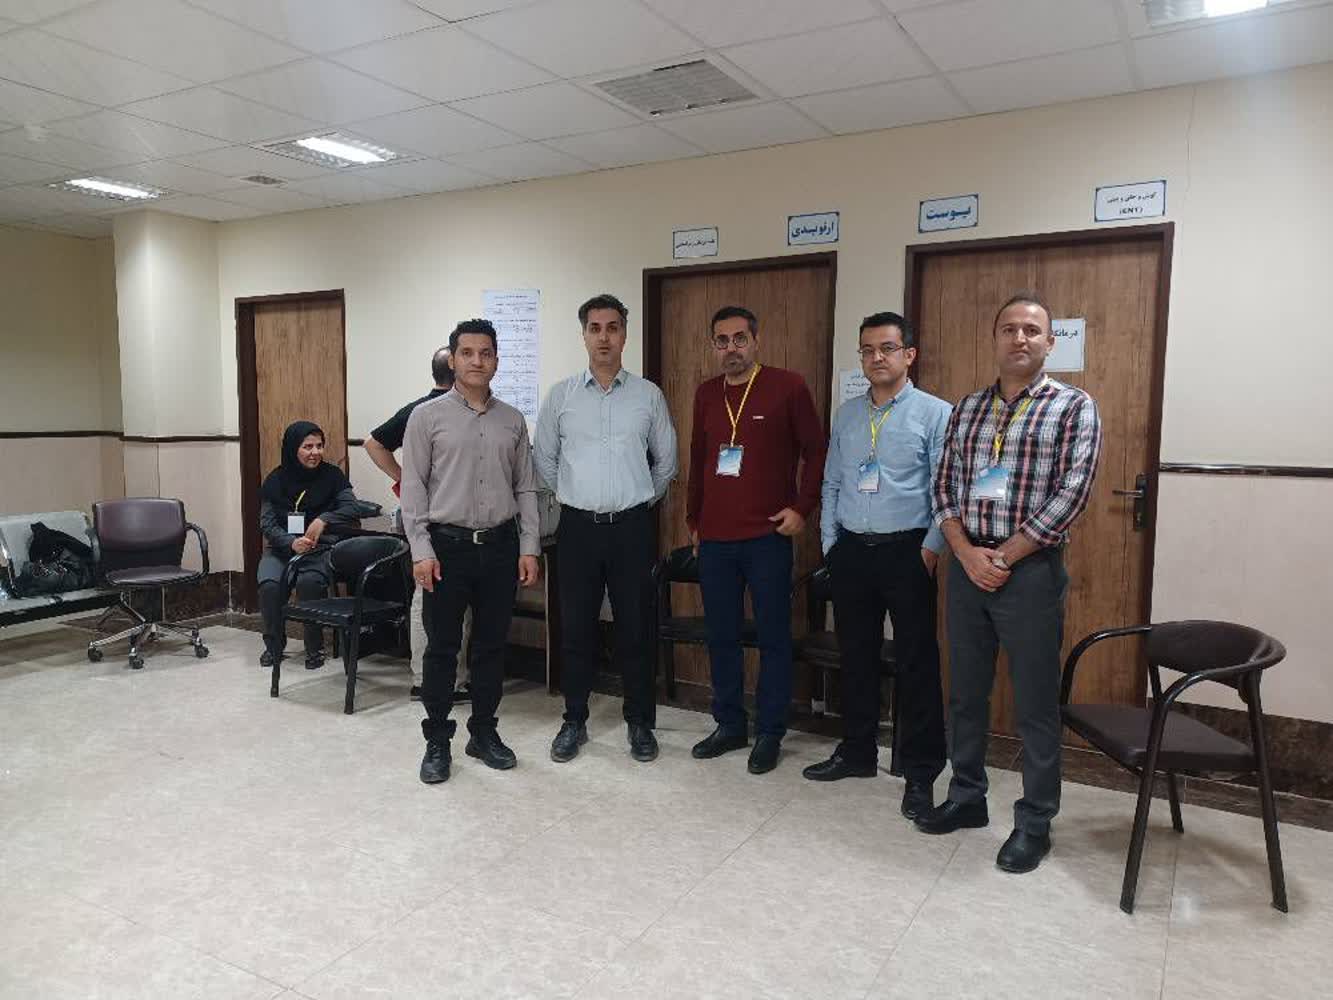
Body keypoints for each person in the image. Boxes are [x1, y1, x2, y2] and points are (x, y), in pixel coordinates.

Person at [918, 291, 1102, 874]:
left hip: (1030, 573)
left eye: (1031, 330)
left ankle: (1035, 821)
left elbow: (1073, 493)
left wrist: (1004, 556)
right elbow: (943, 486)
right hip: (967, 566)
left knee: (1035, 703)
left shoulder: (1073, 407)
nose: (1019, 338)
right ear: (995, 338)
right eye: (1009, 329)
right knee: (965, 693)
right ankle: (966, 797)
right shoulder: (968, 409)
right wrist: (965, 553)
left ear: (1049, 342)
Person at [807, 312, 951, 820]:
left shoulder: (935, 414)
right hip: (851, 550)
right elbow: (831, 482)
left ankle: (920, 769)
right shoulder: (847, 415)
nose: (876, 358)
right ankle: (857, 751)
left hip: (908, 551)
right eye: (867, 350)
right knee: (856, 654)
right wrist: (830, 543)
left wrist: (931, 547)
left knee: (916, 661)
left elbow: (945, 489)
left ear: (909, 354)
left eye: (887, 348)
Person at [534, 293, 678, 764]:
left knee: (636, 628)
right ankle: (574, 719)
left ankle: (640, 722)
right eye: (594, 328)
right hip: (577, 529)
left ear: (624, 335)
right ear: (583, 335)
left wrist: (637, 500)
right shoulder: (561, 396)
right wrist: (576, 495)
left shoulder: (648, 396)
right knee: (576, 628)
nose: (604, 337)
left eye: (612, 327)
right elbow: (545, 462)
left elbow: (666, 463)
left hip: (632, 529)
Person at [686, 305, 826, 774]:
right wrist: (694, 521)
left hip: (767, 536)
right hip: (715, 540)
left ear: (756, 340)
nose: (732, 348)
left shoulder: (788, 387)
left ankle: (770, 731)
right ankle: (729, 724)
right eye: (722, 340)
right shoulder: (707, 394)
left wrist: (802, 508)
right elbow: (699, 459)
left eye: (740, 338)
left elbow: (816, 450)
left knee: (773, 638)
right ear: (714, 346)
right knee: (721, 636)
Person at [400, 318, 541, 784]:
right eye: (467, 353)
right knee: (442, 649)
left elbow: (525, 488)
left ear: (497, 360)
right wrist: (421, 550)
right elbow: (413, 488)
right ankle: (437, 740)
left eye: (485, 353)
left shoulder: (512, 420)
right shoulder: (426, 417)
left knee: (490, 647)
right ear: (453, 359)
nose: (477, 361)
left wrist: (529, 546)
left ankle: (483, 732)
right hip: (446, 550)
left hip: (500, 547)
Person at [365, 347, 471, 702]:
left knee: (428, 595)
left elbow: (373, 443)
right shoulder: (428, 411)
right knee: (436, 598)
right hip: (438, 518)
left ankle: (428, 678)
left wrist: (404, 478)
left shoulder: (419, 409)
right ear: (455, 369)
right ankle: (436, 681)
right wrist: (407, 479)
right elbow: (373, 443)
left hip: (432, 515)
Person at [257, 420, 361, 670]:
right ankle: (273, 646)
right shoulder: (276, 479)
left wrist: (323, 519)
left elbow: (352, 507)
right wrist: (291, 542)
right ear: (293, 448)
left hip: (318, 550)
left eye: (319, 446)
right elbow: (267, 523)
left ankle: (314, 649)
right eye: (308, 447)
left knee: (309, 583)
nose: (315, 452)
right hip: (282, 549)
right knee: (270, 585)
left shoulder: (332, 476)